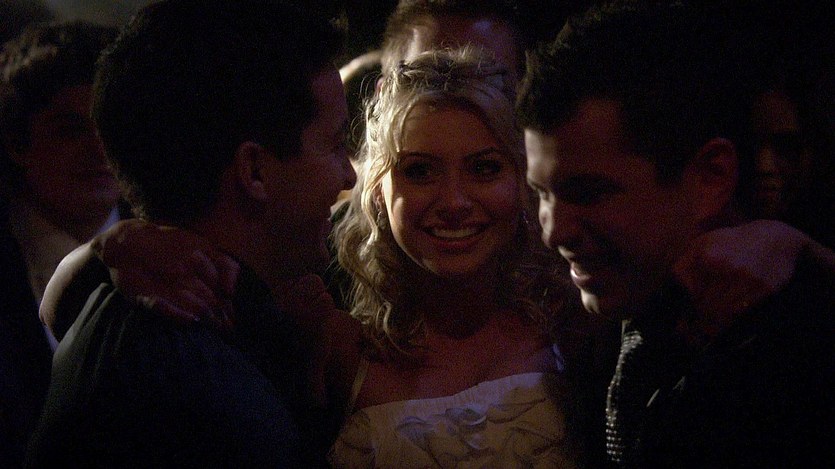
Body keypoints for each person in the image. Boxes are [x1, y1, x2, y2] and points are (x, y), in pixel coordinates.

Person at [24, 0, 355, 467]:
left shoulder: (166, 324)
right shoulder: (195, 383)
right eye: (336, 144)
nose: (349, 176)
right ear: (254, 171)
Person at [517, 2, 835, 467]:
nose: (553, 231)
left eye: (589, 193)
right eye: (541, 193)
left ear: (710, 178)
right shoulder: (615, 317)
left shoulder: (801, 363)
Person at [0, 21, 117, 467]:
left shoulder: (183, 236)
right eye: (70, 129)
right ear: (17, 142)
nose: (99, 148)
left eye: (108, 123)